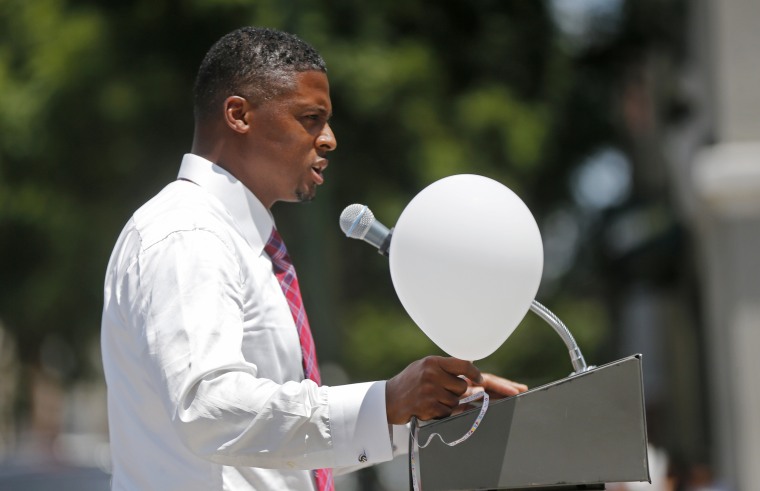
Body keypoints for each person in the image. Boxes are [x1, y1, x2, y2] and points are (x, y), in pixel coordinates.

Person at [100, 26, 527, 491]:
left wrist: (427, 410)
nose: (329, 140)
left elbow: (273, 459)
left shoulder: (242, 243)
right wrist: (385, 400)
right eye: (310, 118)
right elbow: (208, 410)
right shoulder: (188, 234)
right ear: (239, 115)